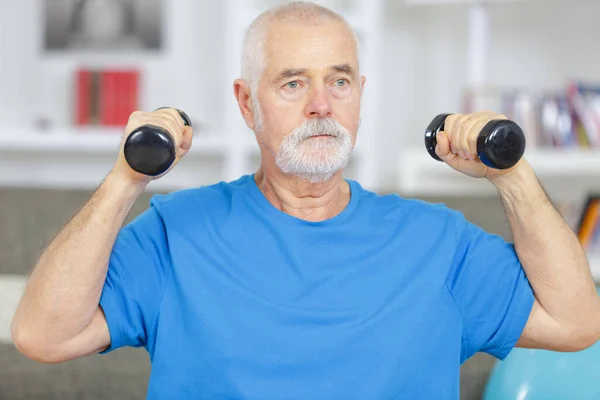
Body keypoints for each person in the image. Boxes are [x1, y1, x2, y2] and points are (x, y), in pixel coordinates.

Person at [12, 1, 600, 399]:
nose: (322, 103)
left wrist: (511, 173)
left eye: (339, 81)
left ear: (359, 95)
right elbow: (44, 335)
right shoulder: (176, 232)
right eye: (293, 82)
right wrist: (126, 178)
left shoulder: (436, 240)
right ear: (248, 105)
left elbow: (577, 323)